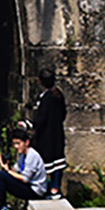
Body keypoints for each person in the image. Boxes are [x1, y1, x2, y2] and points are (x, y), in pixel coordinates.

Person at [0, 125, 48, 210]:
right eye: (14, 144)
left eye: (18, 143)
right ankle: (0, 206)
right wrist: (5, 166)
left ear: (27, 142)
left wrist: (8, 171)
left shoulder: (32, 156)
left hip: (35, 191)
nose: (16, 146)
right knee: (1, 176)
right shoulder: (22, 155)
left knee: (1, 176)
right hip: (28, 186)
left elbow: (25, 179)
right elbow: (15, 171)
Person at [30, 68, 67, 198]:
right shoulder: (58, 95)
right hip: (57, 133)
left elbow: (41, 118)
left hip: (46, 135)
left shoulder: (46, 98)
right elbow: (63, 114)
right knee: (57, 161)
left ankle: (48, 189)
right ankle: (56, 188)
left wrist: (30, 125)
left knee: (47, 162)